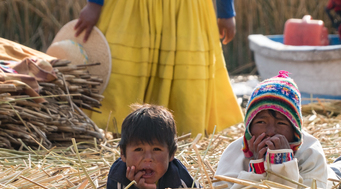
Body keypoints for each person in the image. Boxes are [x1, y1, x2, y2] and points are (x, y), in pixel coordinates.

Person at [73, 0, 243, 136]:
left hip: (185, 11)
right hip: (132, 10)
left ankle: (177, 135)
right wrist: (94, 3)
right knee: (119, 73)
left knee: (184, 79)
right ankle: (117, 132)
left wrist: (226, 11)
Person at [214, 71, 340, 189]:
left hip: (335, 176)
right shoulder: (235, 152)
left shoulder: (310, 152)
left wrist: (283, 163)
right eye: (261, 122)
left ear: (295, 130)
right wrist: (256, 166)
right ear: (249, 127)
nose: (270, 132)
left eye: (281, 123)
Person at [106, 103, 199, 189]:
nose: (148, 158)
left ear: (171, 154)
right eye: (138, 149)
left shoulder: (178, 176)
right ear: (123, 154)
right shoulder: (118, 176)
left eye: (156, 149)